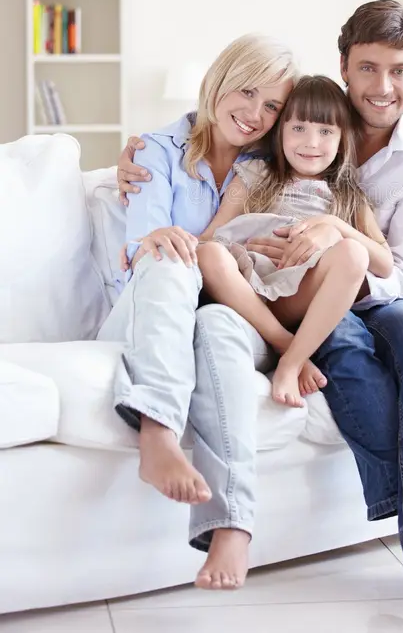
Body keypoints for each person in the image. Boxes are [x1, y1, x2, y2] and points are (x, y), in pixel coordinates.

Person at [118, 0, 403, 592]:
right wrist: (138, 156)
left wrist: (336, 234)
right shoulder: (269, 148)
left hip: (367, 294)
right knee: (305, 340)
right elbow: (214, 188)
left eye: (399, 70)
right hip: (276, 297)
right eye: (367, 68)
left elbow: (400, 272)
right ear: (344, 67)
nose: (382, 86)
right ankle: (260, 516)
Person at [98, 33, 298, 590]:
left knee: (216, 323)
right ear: (218, 80)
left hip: (225, 311)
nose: (255, 114)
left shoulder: (276, 165)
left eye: (273, 106)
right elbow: (144, 249)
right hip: (150, 313)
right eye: (246, 91)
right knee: (169, 256)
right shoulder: (154, 152)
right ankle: (157, 432)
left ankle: (232, 526)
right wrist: (172, 241)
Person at [195, 74, 393, 408]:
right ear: (281, 131)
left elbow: (385, 265)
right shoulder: (257, 174)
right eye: (299, 128)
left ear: (343, 139)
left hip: (298, 293)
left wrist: (334, 224)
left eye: (326, 131)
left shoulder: (348, 196)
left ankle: (290, 361)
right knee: (209, 253)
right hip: (248, 288)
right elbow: (212, 234)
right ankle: (284, 343)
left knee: (354, 254)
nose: (311, 142)